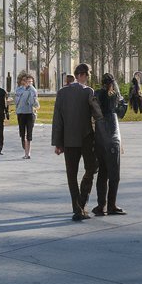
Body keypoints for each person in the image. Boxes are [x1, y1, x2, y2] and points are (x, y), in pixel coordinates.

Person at [52, 62, 104, 221]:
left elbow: (57, 120)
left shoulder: (62, 93)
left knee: (71, 175)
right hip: (86, 138)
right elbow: (98, 115)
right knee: (92, 168)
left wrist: (58, 142)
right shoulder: (88, 92)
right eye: (88, 75)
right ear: (83, 75)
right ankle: (82, 200)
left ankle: (77, 208)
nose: (88, 79)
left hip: (68, 140)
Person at [93, 73, 127, 216]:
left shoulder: (96, 94)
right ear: (112, 84)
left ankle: (101, 205)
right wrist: (124, 103)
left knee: (102, 173)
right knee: (114, 175)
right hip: (112, 137)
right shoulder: (112, 96)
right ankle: (111, 205)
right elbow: (120, 113)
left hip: (100, 137)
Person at [13, 71, 40, 159]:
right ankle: (25, 147)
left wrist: (31, 88)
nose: (29, 83)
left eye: (31, 82)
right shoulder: (18, 90)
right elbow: (16, 101)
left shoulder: (33, 90)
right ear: (22, 81)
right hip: (20, 113)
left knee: (29, 133)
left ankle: (27, 153)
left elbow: (33, 102)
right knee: (22, 134)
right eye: (27, 81)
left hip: (30, 113)